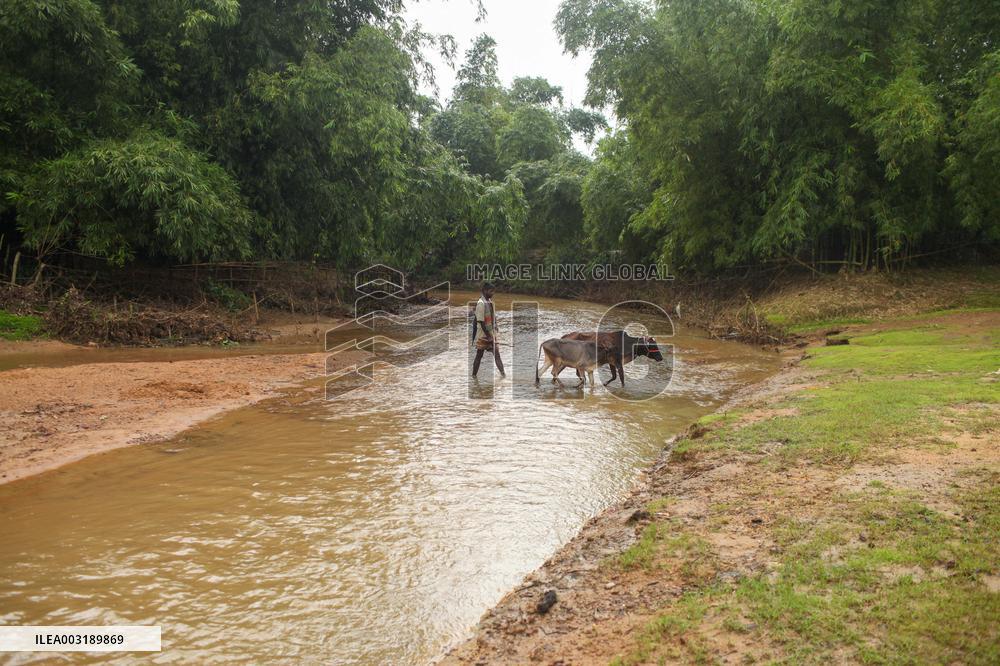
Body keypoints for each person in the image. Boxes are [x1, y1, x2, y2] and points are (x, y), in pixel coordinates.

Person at [472, 282, 505, 377]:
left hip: (490, 334)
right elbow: (481, 322)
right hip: (483, 335)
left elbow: (492, 317)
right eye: (491, 291)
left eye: (493, 291)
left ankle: (503, 375)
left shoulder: (490, 302)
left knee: (497, 355)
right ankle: (474, 376)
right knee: (479, 356)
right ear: (485, 291)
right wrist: (488, 336)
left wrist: (495, 329)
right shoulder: (481, 303)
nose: (492, 293)